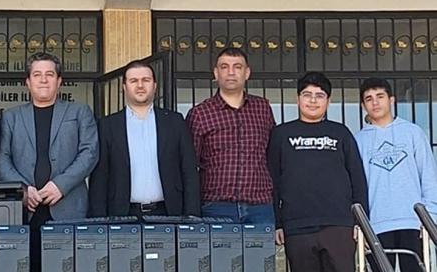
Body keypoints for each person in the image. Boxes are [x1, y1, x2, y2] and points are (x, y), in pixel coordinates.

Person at [0, 53, 98, 272]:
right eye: (37, 75)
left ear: (59, 81)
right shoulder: (11, 117)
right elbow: (2, 158)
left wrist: (60, 185)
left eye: (49, 74)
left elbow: (89, 153)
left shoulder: (79, 112)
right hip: (25, 210)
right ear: (28, 81)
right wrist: (23, 189)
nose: (43, 80)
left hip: (68, 208)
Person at [268, 71, 368, 272]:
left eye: (319, 95)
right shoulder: (281, 134)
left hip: (339, 224)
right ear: (298, 99)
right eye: (307, 95)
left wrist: (361, 221)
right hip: (296, 226)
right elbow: (272, 181)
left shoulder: (340, 133)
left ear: (328, 102)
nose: (313, 101)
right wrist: (277, 223)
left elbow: (358, 179)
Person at [89, 59, 200, 218]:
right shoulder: (107, 126)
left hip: (169, 213)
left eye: (146, 80)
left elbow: (188, 170)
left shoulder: (175, 122)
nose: (140, 85)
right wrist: (99, 219)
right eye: (133, 81)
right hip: (122, 215)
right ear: (124, 87)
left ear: (154, 86)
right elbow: (100, 178)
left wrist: (192, 214)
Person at [185, 47, 275, 223]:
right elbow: (189, 165)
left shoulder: (262, 108)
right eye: (224, 67)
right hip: (215, 207)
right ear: (216, 73)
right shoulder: (200, 113)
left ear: (247, 73)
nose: (231, 72)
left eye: (237, 67)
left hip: (260, 207)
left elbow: (273, 156)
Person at [356, 77, 437, 272]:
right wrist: (360, 225)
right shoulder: (357, 141)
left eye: (380, 96)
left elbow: (428, 176)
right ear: (363, 105)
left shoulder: (413, 133)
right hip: (375, 224)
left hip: (413, 221)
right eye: (369, 99)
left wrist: (429, 217)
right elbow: (355, 186)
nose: (375, 102)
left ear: (391, 100)